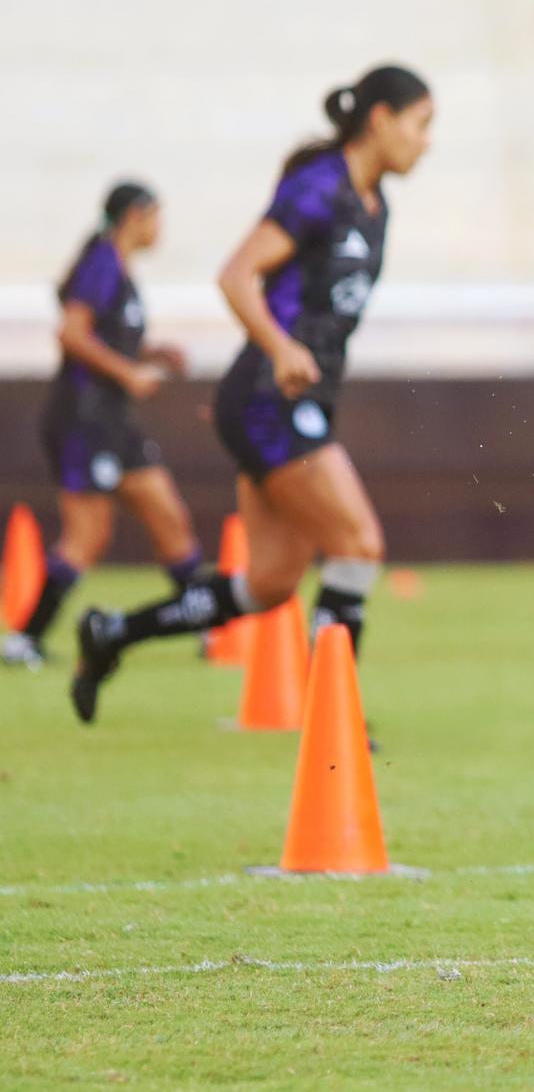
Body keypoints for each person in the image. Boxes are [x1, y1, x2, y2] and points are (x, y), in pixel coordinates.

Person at [69, 66, 434, 724]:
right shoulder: (319, 188)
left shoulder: (376, 207)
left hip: (291, 399)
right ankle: (333, 722)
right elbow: (237, 275)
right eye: (421, 123)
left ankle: (111, 633)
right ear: (380, 119)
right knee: (358, 544)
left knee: (266, 584)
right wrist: (279, 347)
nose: (426, 141)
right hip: (272, 397)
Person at [3, 184, 202, 669]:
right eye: (156, 216)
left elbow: (106, 334)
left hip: (114, 421)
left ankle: (209, 624)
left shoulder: (118, 269)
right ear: (134, 216)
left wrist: (151, 353)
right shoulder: (101, 262)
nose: (160, 228)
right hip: (83, 421)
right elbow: (72, 333)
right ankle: (24, 639)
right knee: (88, 535)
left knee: (169, 517)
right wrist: (129, 371)